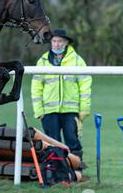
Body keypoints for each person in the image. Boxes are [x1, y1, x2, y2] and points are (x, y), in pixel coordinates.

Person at [31, 28, 92, 161]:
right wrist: (39, 111)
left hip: (71, 111)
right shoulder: (42, 61)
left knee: (73, 143)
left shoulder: (77, 61)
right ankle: (56, 173)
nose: (56, 44)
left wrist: (84, 110)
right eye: (54, 41)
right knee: (52, 144)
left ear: (66, 43)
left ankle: (76, 173)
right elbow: (36, 88)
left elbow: (85, 87)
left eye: (59, 41)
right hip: (49, 111)